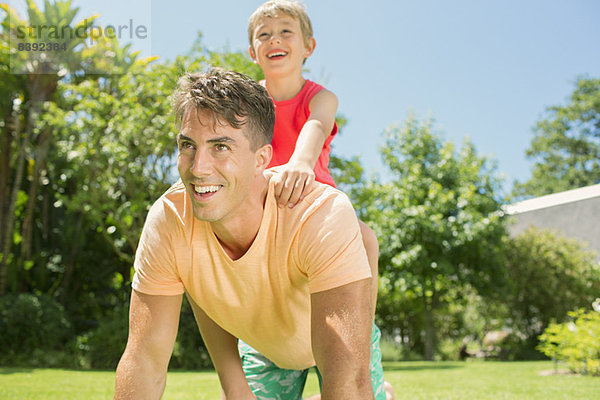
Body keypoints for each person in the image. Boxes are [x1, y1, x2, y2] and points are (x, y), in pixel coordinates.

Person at [113, 68, 377, 399]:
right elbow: (144, 360)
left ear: (261, 159)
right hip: (265, 347)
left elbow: (347, 379)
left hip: (341, 342)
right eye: (187, 145)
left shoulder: (320, 215)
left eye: (220, 146)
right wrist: (234, 386)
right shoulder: (169, 221)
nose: (198, 169)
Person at [247, 1, 394, 399]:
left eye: (285, 31)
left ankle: (361, 327)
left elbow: (316, 125)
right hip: (265, 213)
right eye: (264, 34)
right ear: (252, 51)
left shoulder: (322, 97)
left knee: (366, 240)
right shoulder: (248, 103)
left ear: (308, 45)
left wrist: (300, 162)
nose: (274, 39)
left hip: (314, 203)